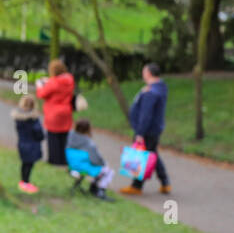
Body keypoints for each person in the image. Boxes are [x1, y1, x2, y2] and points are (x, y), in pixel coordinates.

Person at [120, 62, 172, 195]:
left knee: (141, 156)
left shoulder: (150, 93)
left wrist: (140, 132)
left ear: (148, 73)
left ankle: (136, 186)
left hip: (147, 130)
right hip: (154, 128)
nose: (143, 74)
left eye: (144, 72)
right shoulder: (159, 88)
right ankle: (165, 182)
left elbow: (146, 114)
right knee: (152, 153)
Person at [35, 59, 75, 165]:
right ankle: (63, 160)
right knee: (64, 138)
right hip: (66, 112)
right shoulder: (70, 80)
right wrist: (49, 80)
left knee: (53, 138)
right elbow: (59, 84)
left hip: (54, 113)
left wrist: (39, 84)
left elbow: (42, 94)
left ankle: (54, 160)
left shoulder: (53, 83)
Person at [65, 119, 115, 200]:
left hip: (72, 165)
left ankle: (93, 187)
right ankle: (100, 191)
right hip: (82, 167)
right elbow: (96, 159)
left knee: (101, 169)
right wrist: (104, 163)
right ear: (88, 129)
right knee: (108, 171)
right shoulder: (89, 143)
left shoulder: (70, 135)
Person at [13, 95, 46, 193]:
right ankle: (25, 182)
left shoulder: (19, 118)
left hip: (22, 144)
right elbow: (38, 133)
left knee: (24, 164)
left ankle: (23, 181)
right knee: (29, 165)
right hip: (32, 146)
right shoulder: (33, 120)